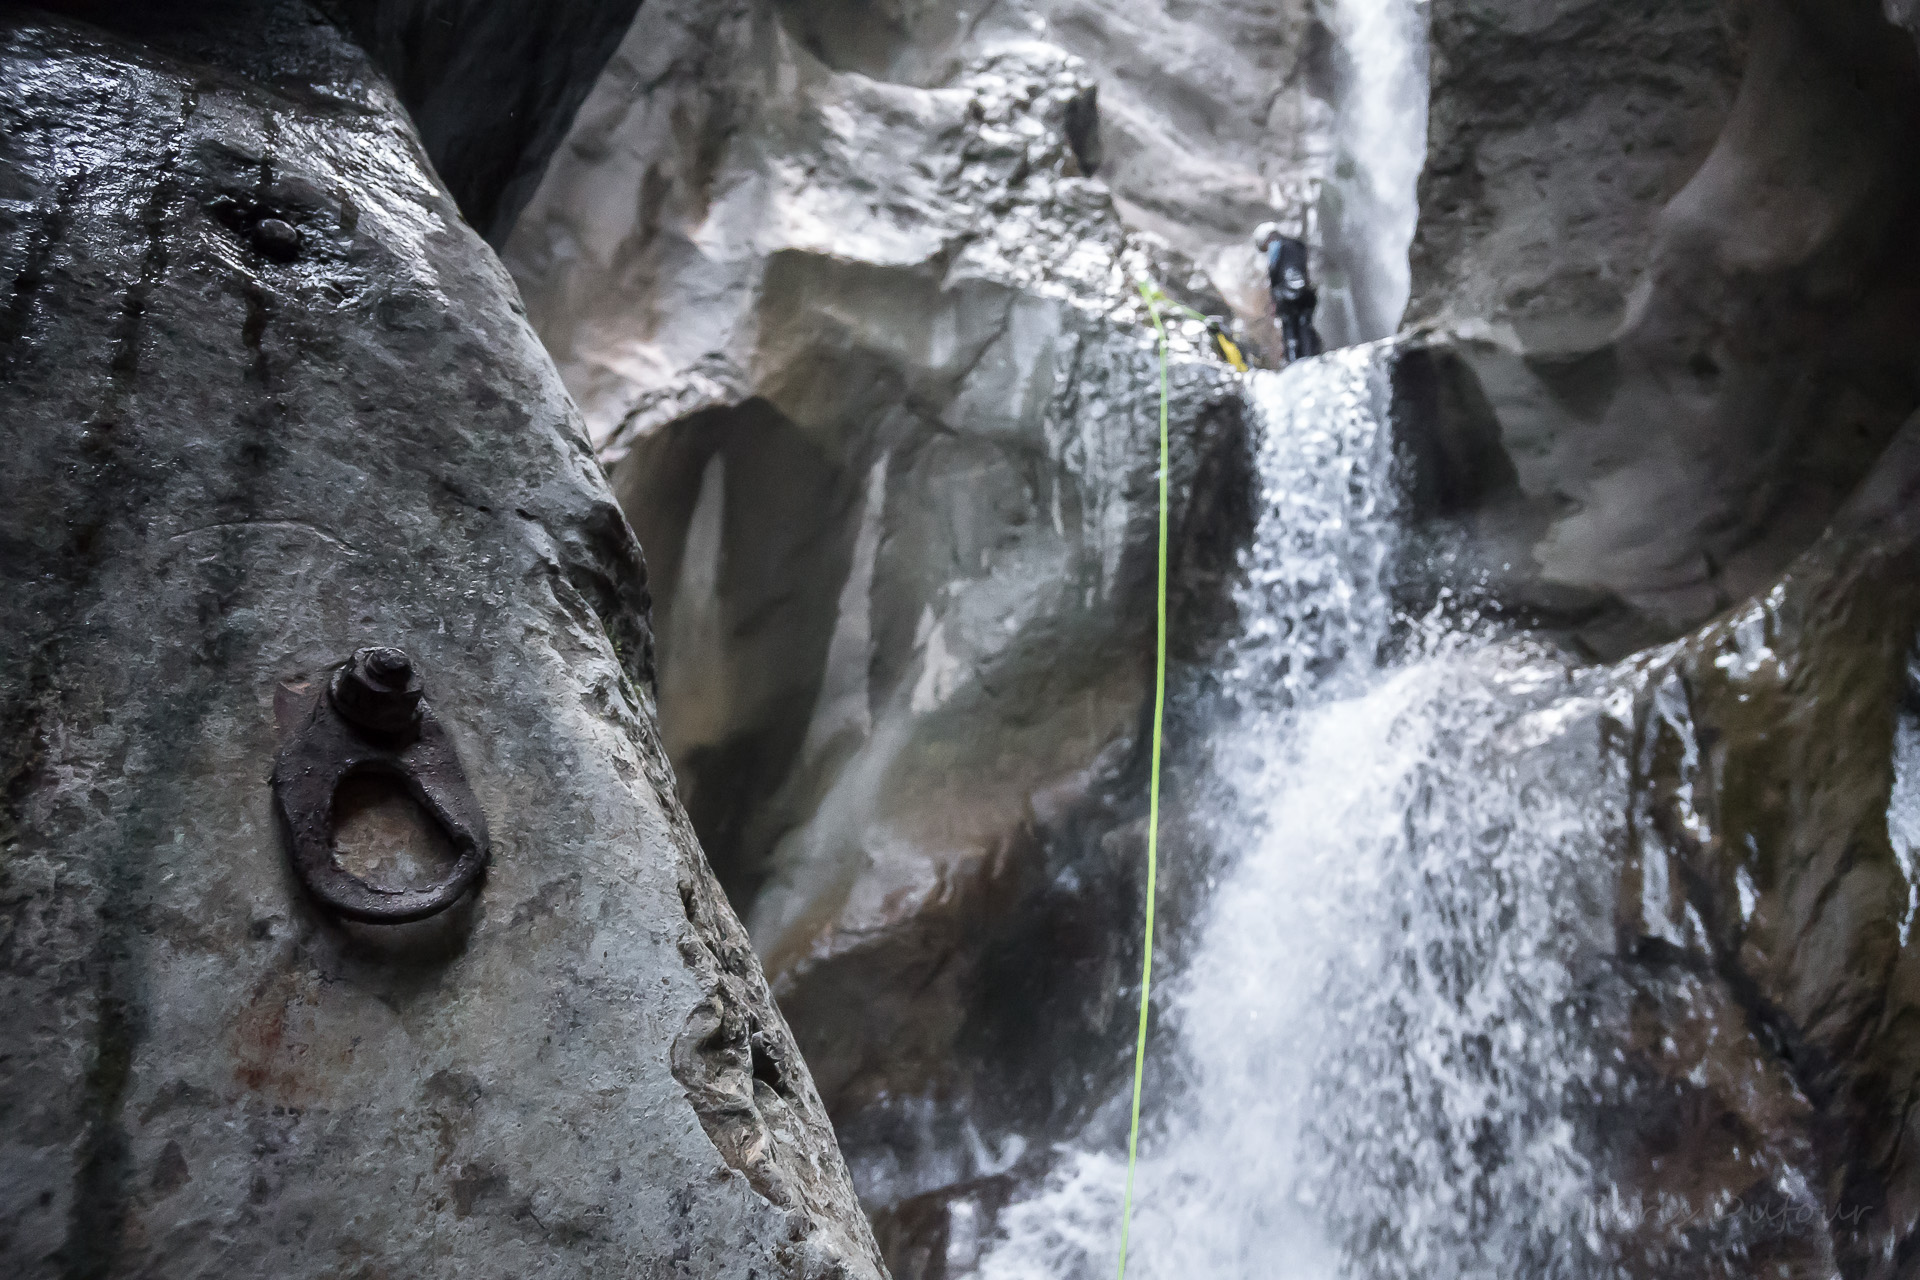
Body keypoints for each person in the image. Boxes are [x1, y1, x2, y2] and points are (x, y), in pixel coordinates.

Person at [1254, 222, 1323, 363]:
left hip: (1293, 301)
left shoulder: (1287, 248)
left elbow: (1294, 280)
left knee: (1297, 331)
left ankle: (1302, 359)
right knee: (1300, 330)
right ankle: (1303, 357)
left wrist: (1283, 296)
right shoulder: (1294, 247)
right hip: (1297, 300)